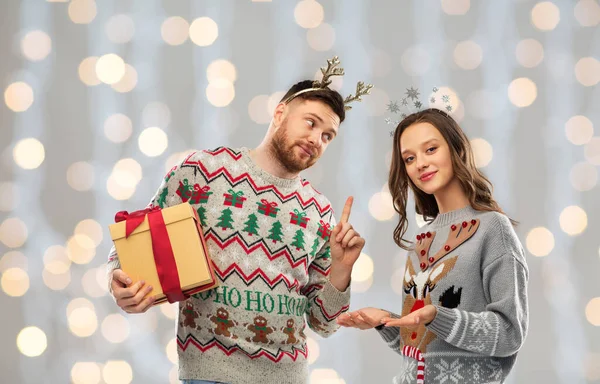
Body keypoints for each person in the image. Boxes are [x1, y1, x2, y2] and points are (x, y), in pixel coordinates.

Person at [106, 57, 371, 384]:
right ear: (280, 113)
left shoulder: (320, 212)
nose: (317, 139)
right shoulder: (202, 172)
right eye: (311, 123)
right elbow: (135, 238)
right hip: (208, 374)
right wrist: (118, 278)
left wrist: (342, 270)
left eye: (328, 136)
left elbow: (325, 323)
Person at [337, 108, 529, 383]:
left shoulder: (492, 228)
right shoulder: (422, 240)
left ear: (456, 149)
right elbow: (421, 350)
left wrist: (437, 315)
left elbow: (510, 333)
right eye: (410, 158)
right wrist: (386, 321)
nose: (420, 164)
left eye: (431, 149)